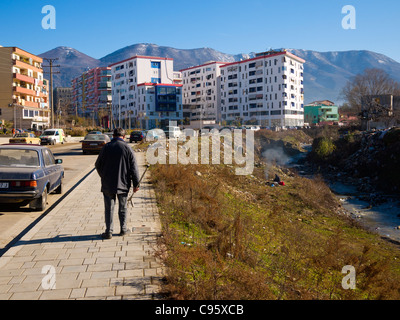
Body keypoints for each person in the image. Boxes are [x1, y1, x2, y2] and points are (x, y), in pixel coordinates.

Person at [95, 128, 140, 239]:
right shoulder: (128, 148)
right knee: (123, 208)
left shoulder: (106, 147)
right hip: (123, 184)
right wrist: (136, 184)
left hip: (108, 184)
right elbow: (134, 168)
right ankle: (123, 230)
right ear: (124, 137)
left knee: (109, 208)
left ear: (113, 136)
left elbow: (97, 165)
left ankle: (108, 232)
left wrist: (103, 176)